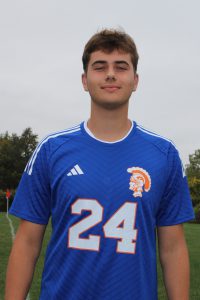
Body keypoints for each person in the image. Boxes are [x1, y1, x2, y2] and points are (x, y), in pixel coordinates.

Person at [5, 29, 194, 300]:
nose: (110, 74)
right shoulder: (52, 149)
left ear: (135, 80)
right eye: (99, 66)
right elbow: (27, 242)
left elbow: (173, 248)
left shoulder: (163, 154)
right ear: (84, 80)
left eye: (121, 66)